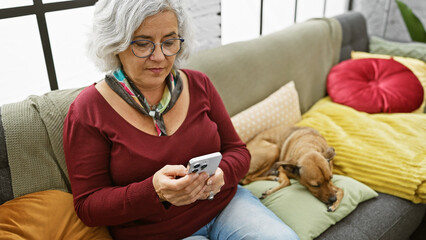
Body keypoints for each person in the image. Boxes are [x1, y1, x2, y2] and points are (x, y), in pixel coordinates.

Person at [63, 0, 300, 239]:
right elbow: (88, 208)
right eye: (143, 44)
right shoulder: (88, 110)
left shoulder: (199, 84)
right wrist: (154, 192)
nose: (159, 56)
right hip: (157, 233)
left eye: (169, 42)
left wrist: (222, 176)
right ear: (115, 44)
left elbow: (238, 152)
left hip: (224, 206)